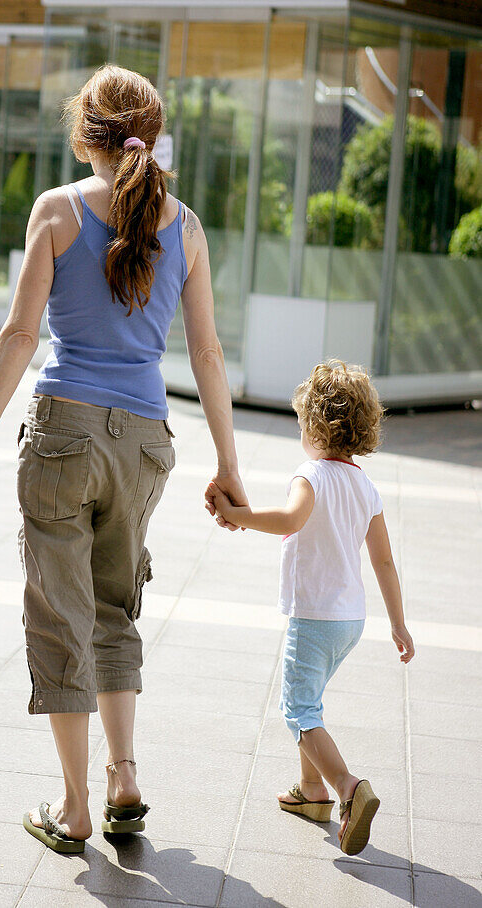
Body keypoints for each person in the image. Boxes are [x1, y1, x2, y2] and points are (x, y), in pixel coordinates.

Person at [0, 64, 247, 853]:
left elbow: (19, 338)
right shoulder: (184, 226)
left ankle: (75, 806)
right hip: (146, 443)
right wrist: (228, 461)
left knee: (59, 613)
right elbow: (209, 353)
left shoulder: (54, 211)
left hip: (62, 434)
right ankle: (125, 775)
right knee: (115, 609)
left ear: (86, 134)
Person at [207, 360, 414, 857]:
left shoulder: (311, 474)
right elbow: (384, 561)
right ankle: (312, 791)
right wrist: (399, 624)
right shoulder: (365, 484)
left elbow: (291, 519)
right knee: (312, 699)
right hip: (351, 620)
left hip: (315, 615)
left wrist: (235, 515)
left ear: (316, 425)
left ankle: (347, 787)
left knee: (298, 708)